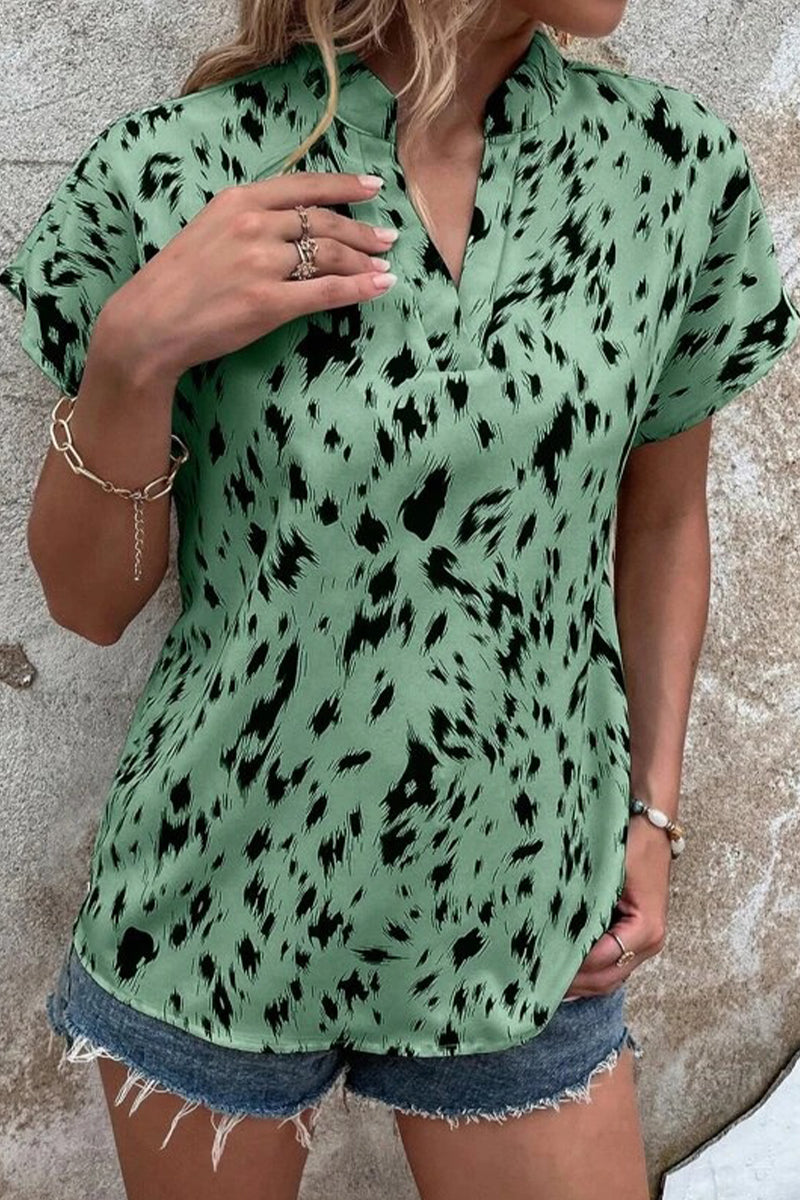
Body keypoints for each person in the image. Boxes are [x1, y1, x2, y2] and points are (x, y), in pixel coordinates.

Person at [2, 1, 798, 1197]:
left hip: (525, 895)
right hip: (218, 890)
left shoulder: (666, 168)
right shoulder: (178, 168)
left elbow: (662, 520)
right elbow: (87, 604)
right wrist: (131, 352)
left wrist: (652, 811)